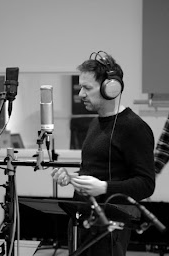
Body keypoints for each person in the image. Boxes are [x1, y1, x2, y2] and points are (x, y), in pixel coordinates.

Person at [51, 51, 155, 256]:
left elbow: (146, 184)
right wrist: (71, 178)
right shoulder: (95, 123)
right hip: (81, 221)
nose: (80, 94)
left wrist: (105, 187)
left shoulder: (134, 128)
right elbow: (94, 170)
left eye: (87, 88)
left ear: (111, 89)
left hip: (109, 229)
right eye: (81, 87)